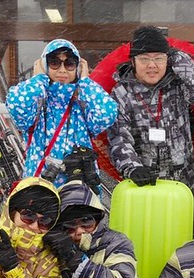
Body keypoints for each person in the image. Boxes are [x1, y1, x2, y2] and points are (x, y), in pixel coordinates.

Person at [107, 26, 194, 235]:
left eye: (158, 58)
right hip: (144, 187)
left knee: (192, 243)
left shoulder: (178, 84)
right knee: (148, 242)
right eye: (144, 59)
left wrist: (178, 58)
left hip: (183, 186)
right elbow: (118, 137)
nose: (152, 65)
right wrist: (132, 167)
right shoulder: (121, 92)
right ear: (133, 61)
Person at [6, 39, 117, 188]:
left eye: (70, 63)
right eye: (54, 63)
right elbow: (16, 104)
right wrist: (39, 78)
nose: (62, 70)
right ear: (45, 66)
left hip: (80, 192)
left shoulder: (82, 106)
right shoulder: (37, 104)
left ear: (77, 68)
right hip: (41, 192)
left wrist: (85, 81)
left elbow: (107, 113)